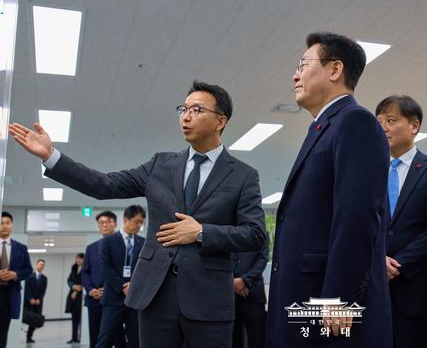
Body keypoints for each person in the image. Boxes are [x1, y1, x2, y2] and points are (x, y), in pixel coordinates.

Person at [8, 80, 266, 348]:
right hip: (155, 294)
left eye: (197, 110)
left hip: (208, 298)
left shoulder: (243, 175)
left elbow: (256, 234)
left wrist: (201, 232)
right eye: (183, 109)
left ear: (220, 121)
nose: (186, 116)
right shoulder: (160, 165)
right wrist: (51, 156)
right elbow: (103, 184)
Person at [266, 32, 392, 347]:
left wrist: (339, 297)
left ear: (335, 70)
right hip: (306, 296)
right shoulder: (325, 126)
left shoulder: (355, 122)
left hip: (330, 304)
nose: (295, 75)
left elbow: (357, 217)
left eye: (303, 65)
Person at [375, 95, 427, 348]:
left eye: (390, 120)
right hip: (374, 289)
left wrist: (396, 264)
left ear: (414, 125)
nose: (383, 127)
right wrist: (376, 259)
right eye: (379, 122)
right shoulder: (368, 173)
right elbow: (357, 225)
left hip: (419, 289)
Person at [95, 206, 145, 348]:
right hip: (113, 299)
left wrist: (133, 285)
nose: (139, 225)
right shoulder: (108, 241)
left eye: (141, 222)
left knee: (136, 341)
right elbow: (105, 267)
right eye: (137, 221)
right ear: (126, 219)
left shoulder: (143, 242)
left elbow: (144, 268)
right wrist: (122, 286)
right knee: (105, 339)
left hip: (134, 300)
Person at [81, 210, 126, 348]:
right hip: (94, 299)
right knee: (95, 338)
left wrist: (108, 289)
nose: (104, 225)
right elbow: (85, 272)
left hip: (115, 298)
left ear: (115, 224)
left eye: (108, 222)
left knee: (118, 337)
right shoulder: (91, 248)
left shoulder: (124, 246)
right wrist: (90, 290)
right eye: (101, 223)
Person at [0, 211, 32, 348]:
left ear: (12, 225)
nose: (4, 226)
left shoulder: (21, 248)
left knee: (2, 332)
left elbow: (28, 270)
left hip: (9, 294)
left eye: (7, 223)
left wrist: (16, 274)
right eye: (1, 223)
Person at [232, 238, 269, 348]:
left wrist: (244, 280)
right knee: (232, 340)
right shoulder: (226, 230)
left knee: (257, 340)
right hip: (230, 296)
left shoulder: (259, 232)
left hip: (254, 295)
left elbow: (263, 258)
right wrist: (232, 282)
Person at [24, 259, 48, 343]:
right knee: (27, 318)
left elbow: (43, 291)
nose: (41, 266)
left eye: (43, 265)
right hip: (28, 302)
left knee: (35, 320)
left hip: (38, 303)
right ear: (36, 265)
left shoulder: (44, 278)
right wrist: (30, 298)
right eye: (40, 264)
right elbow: (27, 289)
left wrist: (39, 299)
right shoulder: (29, 276)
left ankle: (29, 337)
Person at [65, 253, 84, 344]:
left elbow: (84, 281)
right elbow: (69, 280)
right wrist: (73, 286)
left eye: (80, 258)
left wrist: (77, 290)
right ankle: (74, 338)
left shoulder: (86, 268)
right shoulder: (74, 268)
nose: (78, 260)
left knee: (81, 319)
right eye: (76, 258)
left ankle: (82, 337)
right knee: (74, 319)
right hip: (72, 296)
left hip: (81, 297)